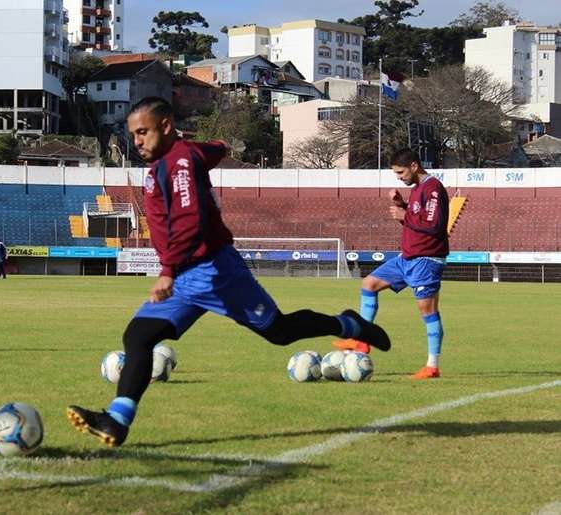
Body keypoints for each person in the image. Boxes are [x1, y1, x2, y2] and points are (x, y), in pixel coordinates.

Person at [66, 97, 392, 447]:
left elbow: (192, 220)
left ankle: (347, 324)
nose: (138, 141)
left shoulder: (177, 164)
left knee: (279, 332)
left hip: (213, 272)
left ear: (165, 126)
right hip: (189, 275)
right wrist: (220, 145)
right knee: (138, 337)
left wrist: (167, 271)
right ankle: (117, 421)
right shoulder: (180, 156)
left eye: (143, 132)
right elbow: (210, 151)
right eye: (133, 135)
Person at [333, 148, 449, 380]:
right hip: (406, 258)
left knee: (427, 311)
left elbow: (434, 225)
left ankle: (432, 366)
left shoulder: (433, 188)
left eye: (401, 172)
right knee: (369, 284)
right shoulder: (417, 190)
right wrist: (404, 207)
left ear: (414, 166)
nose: (399, 177)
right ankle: (362, 342)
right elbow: (417, 224)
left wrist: (404, 215)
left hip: (426, 259)